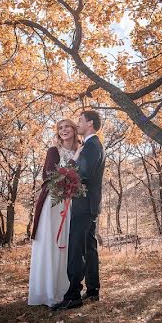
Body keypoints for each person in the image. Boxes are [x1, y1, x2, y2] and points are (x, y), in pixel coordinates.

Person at [52, 110, 105, 311]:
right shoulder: (93, 145)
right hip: (90, 204)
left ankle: (73, 295)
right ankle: (92, 290)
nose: (78, 124)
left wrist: (68, 170)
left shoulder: (91, 146)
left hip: (83, 204)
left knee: (76, 249)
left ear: (89, 123)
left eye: (80, 121)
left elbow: (81, 175)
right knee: (90, 248)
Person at [27, 119, 80, 307]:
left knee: (66, 244)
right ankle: (46, 292)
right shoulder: (53, 151)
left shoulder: (80, 150)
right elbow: (49, 176)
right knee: (50, 243)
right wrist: (72, 163)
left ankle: (65, 289)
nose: (64, 130)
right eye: (60, 128)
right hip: (52, 202)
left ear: (74, 130)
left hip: (71, 202)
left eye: (67, 127)